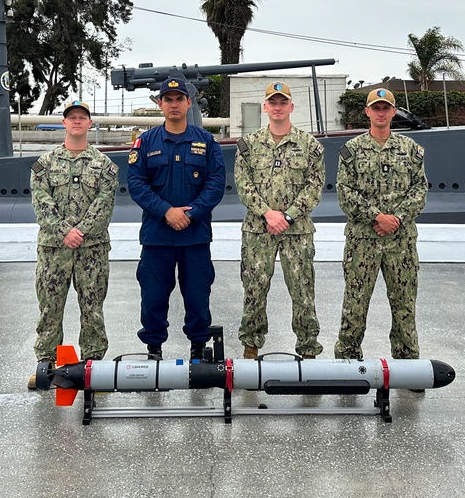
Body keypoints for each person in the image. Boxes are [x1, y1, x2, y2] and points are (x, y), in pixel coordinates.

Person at [126, 77, 226, 360]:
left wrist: (191, 213)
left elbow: (216, 183)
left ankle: (198, 346)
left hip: (194, 236)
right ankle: (154, 349)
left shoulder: (206, 142)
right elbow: (137, 184)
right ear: (160, 104)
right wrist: (166, 211)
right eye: (168, 99)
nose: (173, 104)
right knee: (154, 295)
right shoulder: (145, 143)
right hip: (158, 236)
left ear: (188, 103)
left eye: (179, 99)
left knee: (197, 295)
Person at [28, 100, 118, 389]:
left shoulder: (105, 166)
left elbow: (104, 205)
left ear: (90, 124)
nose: (77, 121)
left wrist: (80, 231)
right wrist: (65, 232)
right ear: (64, 123)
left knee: (92, 308)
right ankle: (47, 366)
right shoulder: (45, 164)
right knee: (50, 307)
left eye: (82, 117)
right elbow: (42, 203)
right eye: (72, 118)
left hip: (92, 250)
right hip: (55, 250)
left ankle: (93, 367)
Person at [334, 88, 428, 364]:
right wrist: (378, 217)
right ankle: (347, 360)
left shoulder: (411, 150)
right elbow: (345, 192)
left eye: (386, 108)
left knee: (404, 304)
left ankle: (407, 362)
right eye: (376, 108)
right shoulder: (351, 150)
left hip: (401, 242)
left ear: (393, 112)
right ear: (367, 112)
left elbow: (420, 191)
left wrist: (395, 218)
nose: (381, 112)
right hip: (363, 241)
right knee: (355, 303)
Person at [234, 81, 325, 359]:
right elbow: (242, 182)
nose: (277, 107)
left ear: (291, 107)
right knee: (254, 289)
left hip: (296, 231)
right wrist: (267, 213)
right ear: (265, 107)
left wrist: (286, 216)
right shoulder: (248, 145)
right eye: (272, 102)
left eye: (282, 102)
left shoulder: (310, 145)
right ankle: (251, 345)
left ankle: (308, 348)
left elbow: (314, 185)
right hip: (258, 231)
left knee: (302, 291)